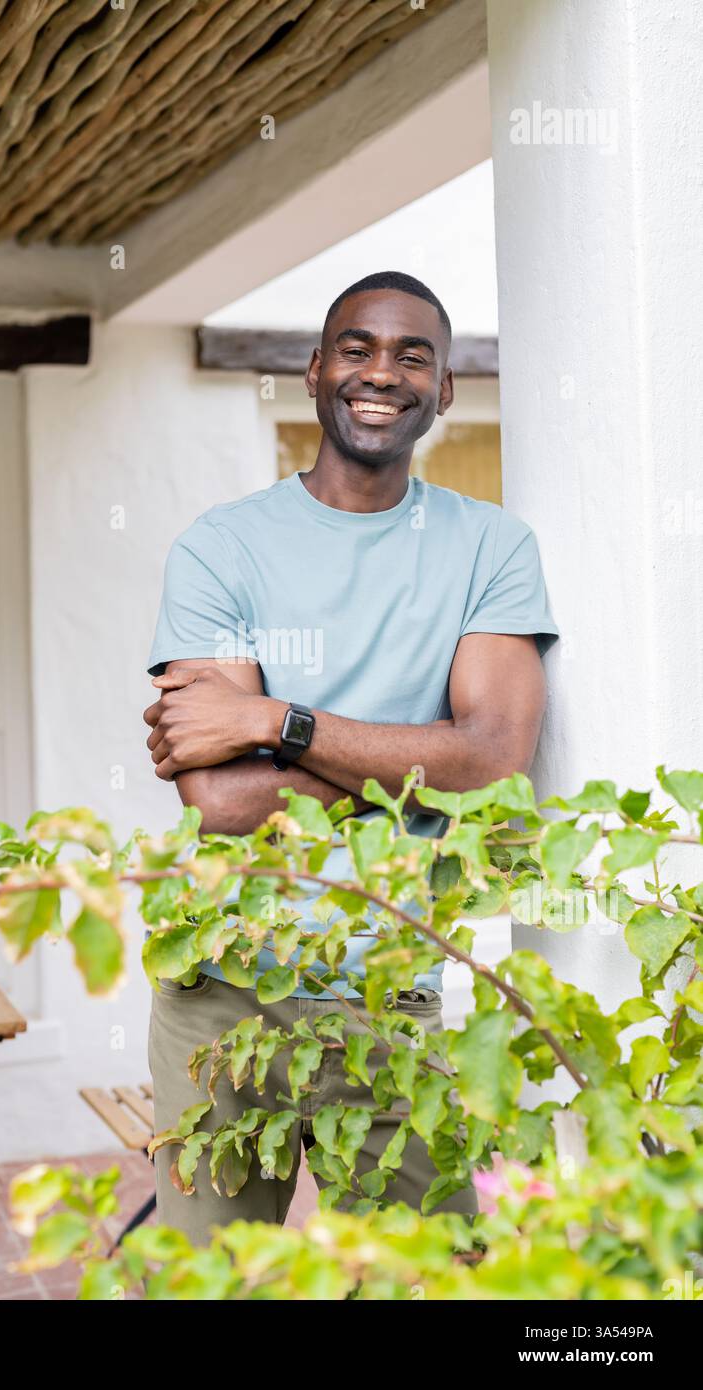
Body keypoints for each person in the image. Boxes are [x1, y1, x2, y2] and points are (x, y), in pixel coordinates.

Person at [143, 269, 560, 1242]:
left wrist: (276, 719)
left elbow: (496, 760)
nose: (384, 372)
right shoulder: (221, 548)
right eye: (359, 348)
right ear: (315, 370)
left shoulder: (491, 549)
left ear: (446, 389)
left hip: (388, 990)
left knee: (428, 1273)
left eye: (414, 355)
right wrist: (421, 781)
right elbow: (219, 798)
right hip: (222, 992)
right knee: (219, 1278)